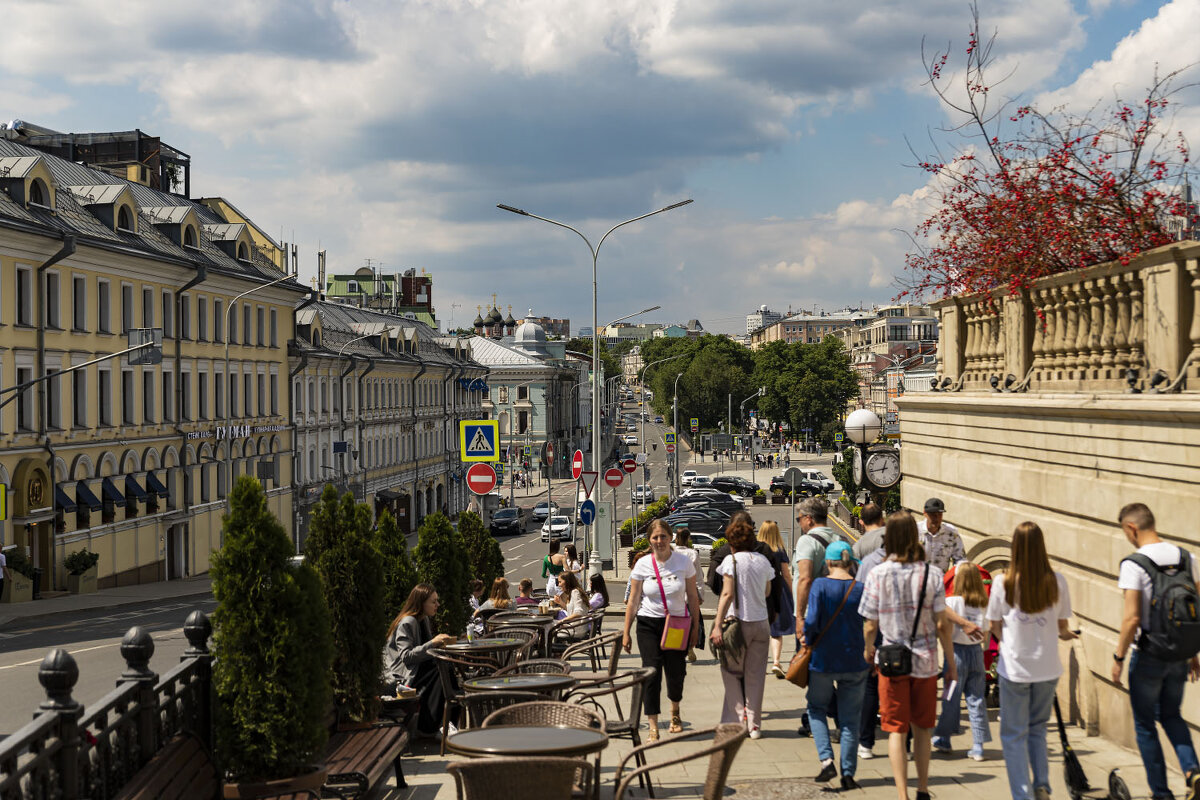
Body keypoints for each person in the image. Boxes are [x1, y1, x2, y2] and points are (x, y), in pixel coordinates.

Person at [859, 512, 955, 800]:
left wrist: (868, 649)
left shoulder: (878, 574)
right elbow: (942, 624)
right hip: (925, 661)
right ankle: (923, 788)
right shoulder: (931, 574)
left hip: (891, 661)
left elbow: (869, 623)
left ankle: (902, 794)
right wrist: (950, 662)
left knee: (896, 730)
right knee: (923, 728)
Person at [1112, 503, 1200, 800]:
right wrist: (1193, 653)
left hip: (1149, 654)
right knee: (1172, 715)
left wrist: (1118, 658)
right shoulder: (1189, 558)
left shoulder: (1134, 564)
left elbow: (1132, 618)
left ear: (1131, 528)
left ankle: (1162, 794)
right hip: (1179, 654)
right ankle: (1193, 771)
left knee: (1145, 725)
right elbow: (1195, 610)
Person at [986, 522, 1076, 800]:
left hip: (1015, 667)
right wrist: (1065, 634)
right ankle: (1042, 785)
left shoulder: (1003, 582)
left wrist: (1008, 640)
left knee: (1013, 735)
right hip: (1047, 667)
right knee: (1037, 729)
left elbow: (993, 624)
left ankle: (1022, 795)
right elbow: (1062, 627)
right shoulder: (1057, 581)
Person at [623, 519, 702, 741]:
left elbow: (693, 598)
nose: (659, 541)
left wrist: (695, 628)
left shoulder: (683, 562)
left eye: (663, 537)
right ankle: (653, 724)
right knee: (651, 672)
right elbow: (633, 600)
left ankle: (675, 713)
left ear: (671, 538)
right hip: (648, 624)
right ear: (650, 540)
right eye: (655, 538)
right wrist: (626, 631)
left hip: (677, 623)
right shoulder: (643, 564)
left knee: (676, 671)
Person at [806, 541, 869, 790]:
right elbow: (870, 623)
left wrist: (807, 640)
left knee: (816, 709)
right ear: (850, 562)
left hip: (823, 660)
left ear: (828, 562)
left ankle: (826, 759)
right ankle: (848, 773)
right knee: (850, 720)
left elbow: (811, 622)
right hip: (855, 661)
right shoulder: (860, 588)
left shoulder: (820, 585)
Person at [711, 515, 775, 738]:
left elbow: (727, 593)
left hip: (737, 624)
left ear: (732, 542)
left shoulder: (731, 561)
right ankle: (754, 725)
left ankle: (739, 720)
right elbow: (767, 592)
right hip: (761, 623)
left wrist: (717, 625)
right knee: (756, 675)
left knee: (730, 672)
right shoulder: (763, 561)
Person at [932, 562, 991, 760]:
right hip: (976, 654)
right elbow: (987, 631)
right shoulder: (982, 602)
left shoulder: (954, 601)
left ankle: (944, 738)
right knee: (976, 700)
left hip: (956, 655)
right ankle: (979, 745)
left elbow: (941, 610)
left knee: (950, 697)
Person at [383, 583, 458, 736]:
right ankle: (434, 725)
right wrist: (433, 643)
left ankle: (443, 722)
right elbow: (407, 657)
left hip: (415, 671)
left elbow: (426, 652)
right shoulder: (408, 622)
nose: (437, 604)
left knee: (445, 667)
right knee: (441, 671)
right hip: (401, 677)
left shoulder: (423, 620)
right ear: (421, 603)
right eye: (433, 601)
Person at [759, 521, 795, 677]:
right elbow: (786, 574)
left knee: (759, 629)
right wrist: (792, 593)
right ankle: (776, 662)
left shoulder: (757, 550)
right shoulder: (779, 550)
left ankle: (759, 664)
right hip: (778, 589)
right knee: (776, 629)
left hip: (759, 589)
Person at [673, 527, 704, 663]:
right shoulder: (692, 554)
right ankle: (690, 647)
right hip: (689, 595)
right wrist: (700, 594)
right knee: (690, 623)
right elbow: (698, 576)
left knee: (676, 623)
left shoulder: (671, 552)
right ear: (688, 539)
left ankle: (678, 649)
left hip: (674, 594)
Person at [917, 498, 965, 574]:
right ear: (925, 513)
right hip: (918, 580)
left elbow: (960, 559)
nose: (936, 518)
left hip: (941, 581)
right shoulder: (915, 531)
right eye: (932, 514)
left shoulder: (952, 533)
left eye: (939, 514)